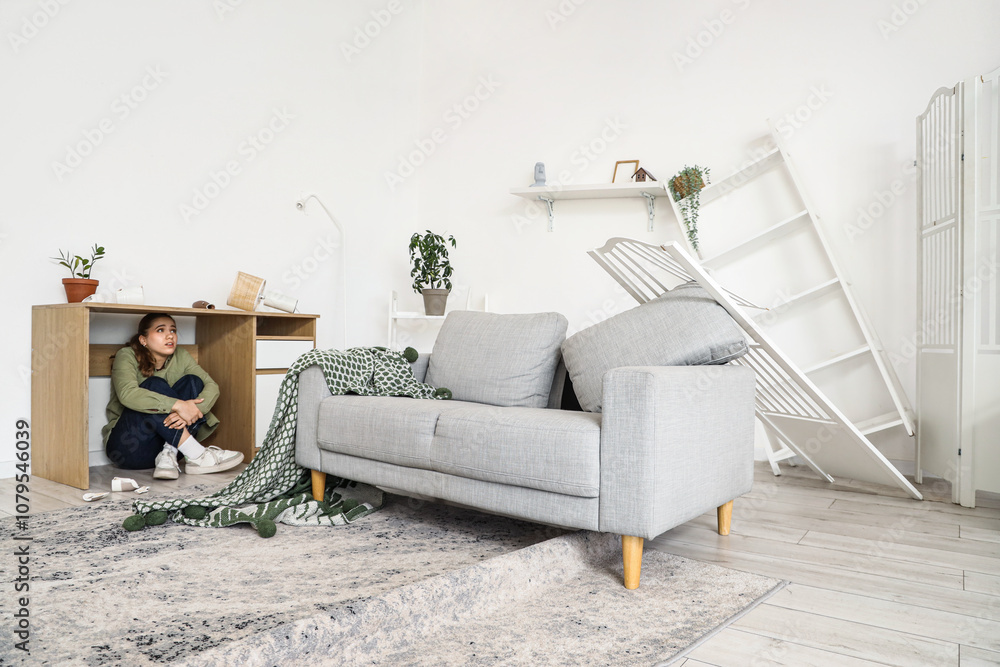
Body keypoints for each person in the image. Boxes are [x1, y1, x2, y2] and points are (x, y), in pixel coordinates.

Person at [103, 313, 243, 480]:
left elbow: (212, 386)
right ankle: (197, 455)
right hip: (128, 449)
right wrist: (178, 406)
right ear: (143, 340)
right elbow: (128, 394)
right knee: (154, 385)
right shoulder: (126, 355)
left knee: (194, 381)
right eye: (161, 330)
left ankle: (169, 453)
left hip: (170, 452)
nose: (170, 335)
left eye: (173, 330)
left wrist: (193, 409)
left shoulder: (181, 355)